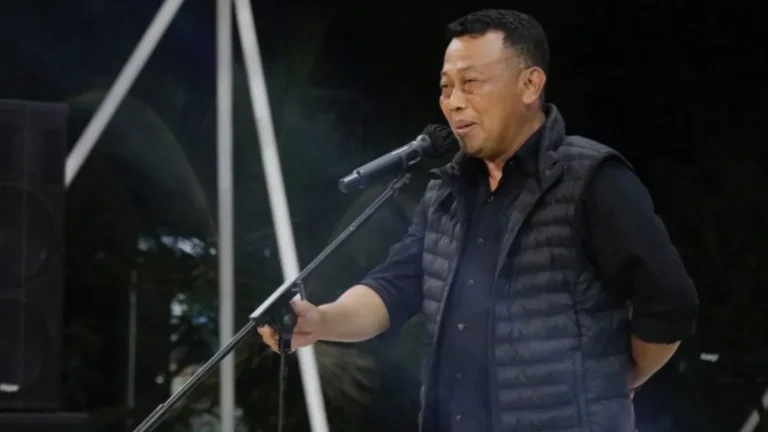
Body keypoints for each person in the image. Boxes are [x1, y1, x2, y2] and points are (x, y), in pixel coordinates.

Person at [258, 8, 699, 432]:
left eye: (471, 83)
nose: (454, 103)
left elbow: (670, 303)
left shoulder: (592, 179)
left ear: (530, 85)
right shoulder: (447, 192)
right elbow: (395, 287)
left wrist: (619, 378)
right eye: (446, 87)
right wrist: (321, 321)